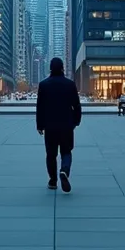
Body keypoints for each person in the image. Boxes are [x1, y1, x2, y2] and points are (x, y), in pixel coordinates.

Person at [36, 57, 82, 193]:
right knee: (66, 151)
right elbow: (77, 106)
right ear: (62, 68)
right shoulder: (70, 84)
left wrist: (40, 125)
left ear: (50, 68)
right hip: (67, 126)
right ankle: (64, 171)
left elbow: (40, 107)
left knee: (51, 154)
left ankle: (53, 181)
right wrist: (76, 121)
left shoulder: (44, 85)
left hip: (50, 126)